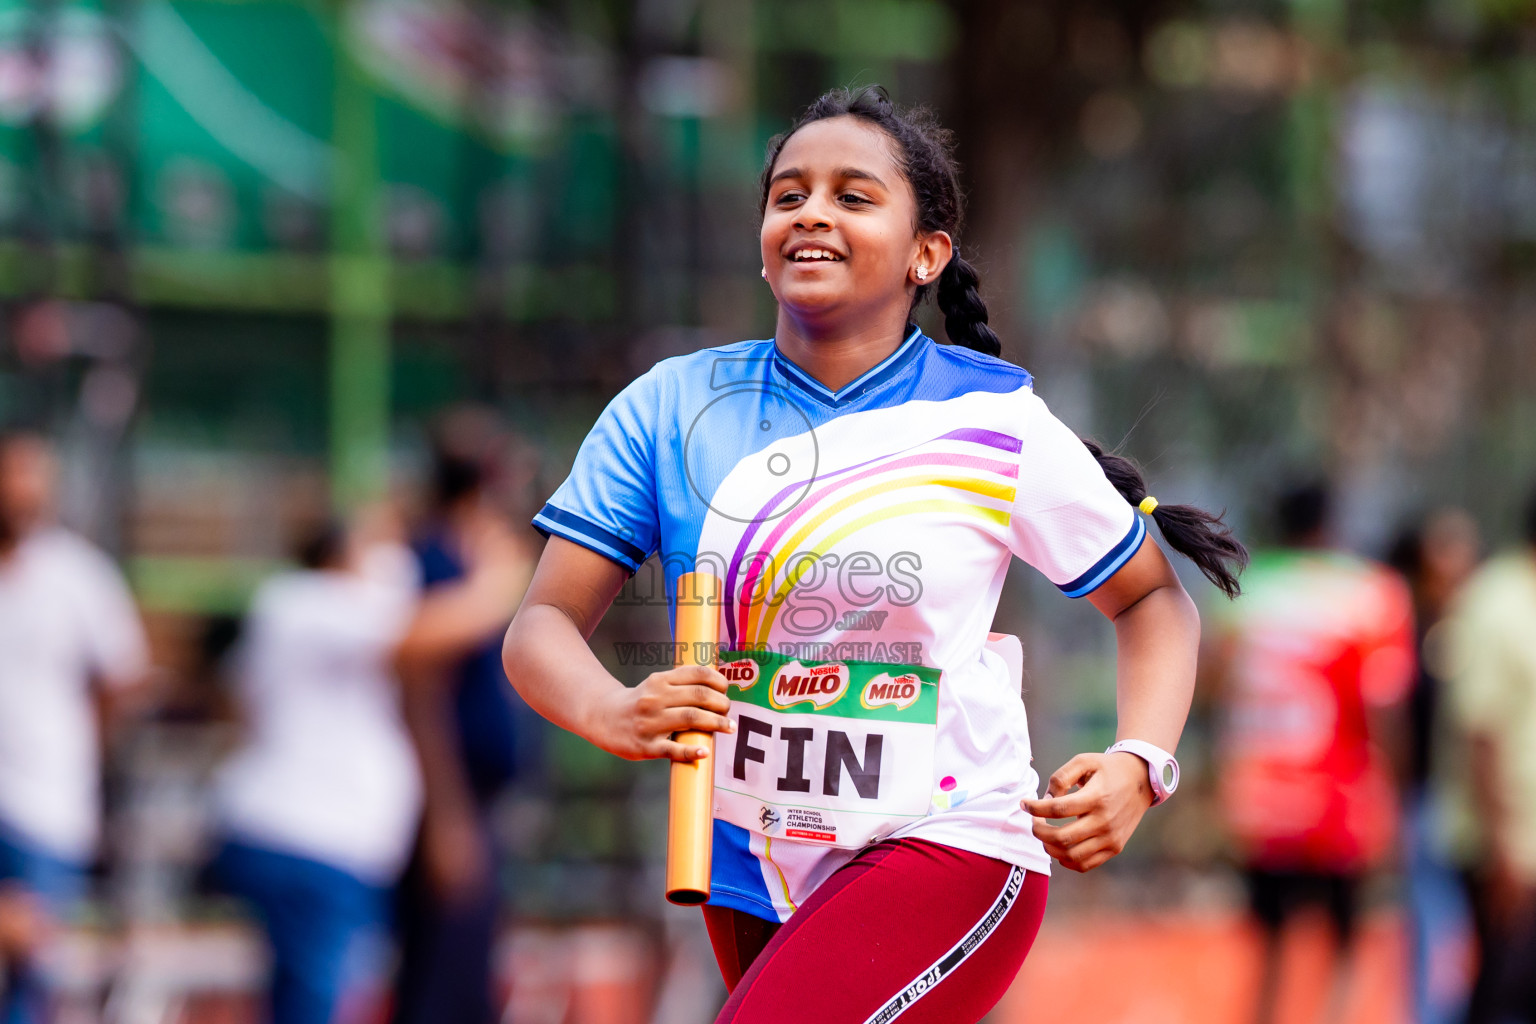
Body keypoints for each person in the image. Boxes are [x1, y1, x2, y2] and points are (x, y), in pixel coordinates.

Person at [503, 86, 1247, 1024]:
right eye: (788, 195)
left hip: (951, 842)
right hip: (750, 863)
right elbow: (541, 625)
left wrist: (1142, 763)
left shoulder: (992, 424)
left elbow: (1152, 601)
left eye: (853, 196)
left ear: (926, 255)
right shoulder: (668, 406)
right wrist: (613, 708)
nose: (812, 211)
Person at [1212, 482, 1415, 1024]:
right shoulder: (1371, 593)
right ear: (1331, 525)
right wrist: (1395, 790)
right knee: (1344, 940)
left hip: (1264, 801)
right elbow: (1383, 707)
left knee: (1271, 941)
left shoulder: (1246, 592)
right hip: (1340, 797)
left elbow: (1219, 692)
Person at [212, 511, 424, 1024]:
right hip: (314, 840)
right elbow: (425, 629)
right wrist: (507, 584)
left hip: (317, 838)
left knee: (300, 994)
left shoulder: (295, 609)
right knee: (322, 997)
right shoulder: (308, 602)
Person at [0, 430, 150, 1024]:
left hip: (44, 798)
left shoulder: (78, 574)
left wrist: (86, 738)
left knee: (33, 966)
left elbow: (122, 675)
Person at [390, 420, 537, 1024]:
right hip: (448, 802)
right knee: (446, 984)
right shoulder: (443, 565)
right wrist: (445, 816)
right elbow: (421, 695)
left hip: (474, 800)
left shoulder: (465, 561)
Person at [1443, 483, 1536, 1024]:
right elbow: (1481, 733)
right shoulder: (1496, 602)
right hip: (1508, 850)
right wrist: (1503, 850)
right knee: (1506, 991)